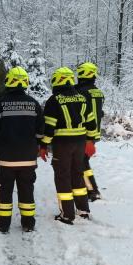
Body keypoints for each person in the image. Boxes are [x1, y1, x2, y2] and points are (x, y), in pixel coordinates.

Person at [0, 66, 44, 233]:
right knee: (27, 189)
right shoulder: (34, 104)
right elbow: (41, 131)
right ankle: (28, 224)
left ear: (8, 82)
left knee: (4, 190)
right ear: (25, 83)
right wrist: (41, 146)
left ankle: (3, 223)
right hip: (28, 158)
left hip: (6, 158)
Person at [39, 67, 96, 225]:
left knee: (63, 176)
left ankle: (67, 214)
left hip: (62, 144)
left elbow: (49, 127)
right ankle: (83, 210)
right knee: (77, 174)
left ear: (58, 80)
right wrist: (90, 141)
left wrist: (44, 145)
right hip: (79, 142)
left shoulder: (54, 100)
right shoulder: (82, 98)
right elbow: (91, 122)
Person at [75, 62, 105, 201]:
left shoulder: (81, 92)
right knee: (82, 161)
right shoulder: (98, 92)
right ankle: (88, 188)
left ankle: (92, 190)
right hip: (95, 133)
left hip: (84, 133)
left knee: (82, 163)